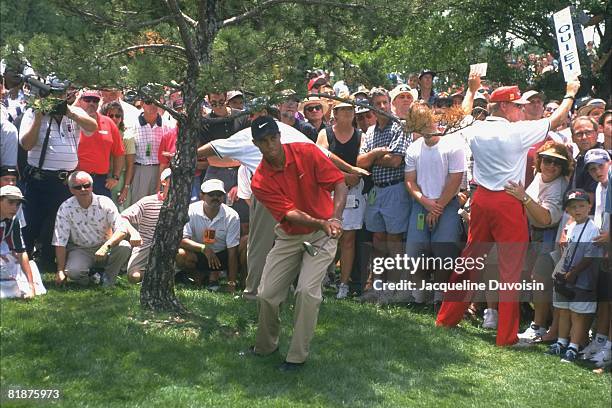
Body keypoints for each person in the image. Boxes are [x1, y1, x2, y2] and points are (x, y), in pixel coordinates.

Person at [435, 76, 580, 346]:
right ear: (503, 107)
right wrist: (570, 93)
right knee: (510, 269)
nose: (521, 110)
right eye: (517, 105)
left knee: (470, 259)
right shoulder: (517, 131)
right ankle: (506, 336)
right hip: (508, 201)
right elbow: (558, 119)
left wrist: (471, 89)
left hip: (481, 200)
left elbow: (463, 113)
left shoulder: (476, 128)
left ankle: (446, 317)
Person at [196, 119, 368, 300]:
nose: (269, 144)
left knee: (271, 245)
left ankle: (278, 290)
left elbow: (320, 153)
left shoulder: (268, 133)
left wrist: (348, 171)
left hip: (291, 190)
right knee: (265, 245)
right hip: (269, 189)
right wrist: (348, 169)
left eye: (272, 137)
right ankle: (259, 291)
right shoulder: (258, 134)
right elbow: (324, 154)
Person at [246, 116, 347, 372]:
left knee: (306, 292)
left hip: (322, 235)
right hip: (291, 235)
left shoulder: (306, 152)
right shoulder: (259, 180)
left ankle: (296, 357)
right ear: (255, 144)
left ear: (279, 136)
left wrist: (334, 217)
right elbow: (289, 214)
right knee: (266, 294)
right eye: (263, 142)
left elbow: (339, 182)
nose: (270, 146)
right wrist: (323, 223)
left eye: (272, 139)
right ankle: (266, 346)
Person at [19, 89, 98, 269]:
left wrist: (69, 112)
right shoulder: (33, 112)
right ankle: (23, 260)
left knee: (56, 222)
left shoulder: (74, 111)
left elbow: (92, 127)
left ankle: (46, 260)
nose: (57, 98)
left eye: (61, 94)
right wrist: (40, 116)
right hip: (38, 178)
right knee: (31, 221)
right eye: (53, 94)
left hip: (63, 181)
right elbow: (26, 144)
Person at [504, 142, 572, 343]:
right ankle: (542, 324)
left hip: (549, 235)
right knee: (537, 281)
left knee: (541, 280)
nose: (551, 166)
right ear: (539, 161)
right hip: (533, 234)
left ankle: (539, 327)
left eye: (557, 163)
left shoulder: (559, 185)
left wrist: (523, 197)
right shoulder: (538, 177)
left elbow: (545, 219)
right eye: (547, 160)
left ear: (563, 168)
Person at [404, 103, 465, 305]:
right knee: (416, 249)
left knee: (444, 249)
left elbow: (455, 178)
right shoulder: (413, 149)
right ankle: (419, 294)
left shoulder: (453, 144)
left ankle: (439, 295)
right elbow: (410, 181)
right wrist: (425, 202)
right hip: (422, 204)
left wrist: (437, 207)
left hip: (447, 203)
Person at [356, 87, 411, 303]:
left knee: (394, 240)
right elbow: (360, 162)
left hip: (395, 188)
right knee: (378, 240)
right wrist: (379, 153)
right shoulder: (370, 132)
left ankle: (392, 288)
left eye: (385, 102)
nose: (382, 107)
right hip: (376, 190)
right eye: (377, 104)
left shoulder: (400, 126)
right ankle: (376, 287)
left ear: (390, 103)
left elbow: (396, 160)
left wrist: (371, 157)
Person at [547, 189, 603, 362]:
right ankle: (561, 342)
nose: (577, 210)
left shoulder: (593, 229)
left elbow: (590, 257)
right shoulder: (570, 227)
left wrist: (573, 272)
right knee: (563, 311)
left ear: (589, 207)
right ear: (567, 211)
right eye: (573, 207)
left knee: (578, 314)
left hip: (582, 280)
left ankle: (574, 345)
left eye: (581, 206)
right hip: (566, 277)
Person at [316, 102, 364, 299]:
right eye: (342, 109)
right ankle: (318, 278)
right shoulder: (324, 134)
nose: (346, 113)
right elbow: (321, 159)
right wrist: (343, 175)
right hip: (329, 190)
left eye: (350, 109)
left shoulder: (361, 135)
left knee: (348, 239)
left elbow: (362, 161)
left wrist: (351, 177)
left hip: (354, 189)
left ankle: (343, 284)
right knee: (324, 236)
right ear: (334, 113)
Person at [53, 171, 131, 287]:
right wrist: (60, 270)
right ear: (71, 190)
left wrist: (106, 247)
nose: (83, 189)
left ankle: (108, 281)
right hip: (80, 249)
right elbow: (60, 240)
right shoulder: (65, 208)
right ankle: (92, 278)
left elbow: (122, 230)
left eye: (86, 185)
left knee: (124, 246)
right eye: (78, 187)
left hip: (105, 246)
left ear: (92, 186)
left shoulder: (105, 202)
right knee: (73, 272)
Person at [176, 179, 240, 292]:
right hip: (199, 254)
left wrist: (232, 283)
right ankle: (199, 276)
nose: (215, 197)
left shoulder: (232, 216)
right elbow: (182, 240)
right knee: (179, 254)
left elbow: (232, 251)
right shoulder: (190, 210)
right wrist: (204, 249)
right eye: (211, 194)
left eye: (219, 194)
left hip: (221, 256)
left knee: (242, 246)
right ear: (202, 196)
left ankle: (219, 275)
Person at [118, 168, 172, 284]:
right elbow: (123, 217)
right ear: (163, 182)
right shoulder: (147, 201)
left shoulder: (181, 203)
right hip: (146, 245)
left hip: (170, 245)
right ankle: (159, 274)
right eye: (172, 179)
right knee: (133, 277)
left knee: (184, 256)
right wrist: (134, 232)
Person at [76, 90, 125, 197]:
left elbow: (119, 153)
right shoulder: (71, 121)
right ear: (79, 101)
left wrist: (116, 177)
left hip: (101, 181)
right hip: (77, 179)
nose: (91, 103)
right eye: (87, 100)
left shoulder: (108, 122)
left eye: (95, 100)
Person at [123, 97, 172, 203]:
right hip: (139, 170)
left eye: (156, 102)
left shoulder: (168, 125)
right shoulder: (132, 124)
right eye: (149, 102)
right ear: (142, 104)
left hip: (162, 171)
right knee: (138, 206)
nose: (153, 106)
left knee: (158, 208)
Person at [0, 185, 45, 299]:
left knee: (26, 265)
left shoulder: (13, 221)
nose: (15, 208)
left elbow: (21, 252)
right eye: (10, 202)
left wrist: (31, 286)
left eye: (17, 204)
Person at [100, 101, 135, 209]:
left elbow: (130, 166)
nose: (114, 118)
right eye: (111, 115)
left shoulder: (127, 137)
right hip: (102, 177)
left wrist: (125, 189)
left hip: (119, 179)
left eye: (118, 116)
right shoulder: (100, 134)